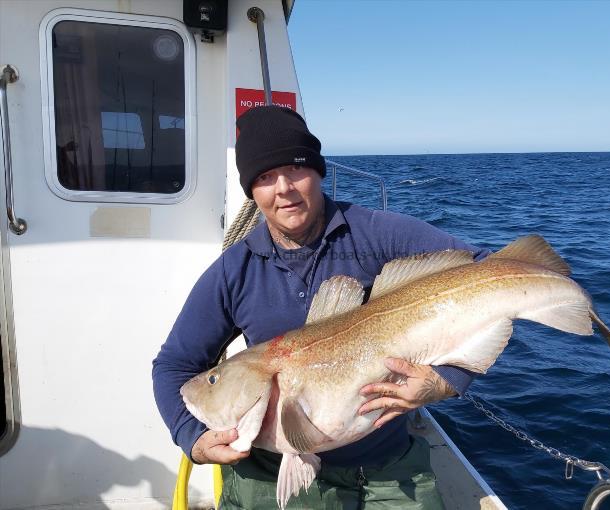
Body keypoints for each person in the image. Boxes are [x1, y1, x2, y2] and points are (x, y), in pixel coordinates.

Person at [152, 105, 491, 509]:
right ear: (251, 190)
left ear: (317, 171)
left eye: (295, 169)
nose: (283, 188)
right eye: (264, 177)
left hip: (386, 464)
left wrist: (444, 380)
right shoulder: (233, 271)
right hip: (270, 471)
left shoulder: (375, 234)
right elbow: (174, 365)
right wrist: (194, 438)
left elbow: (486, 273)